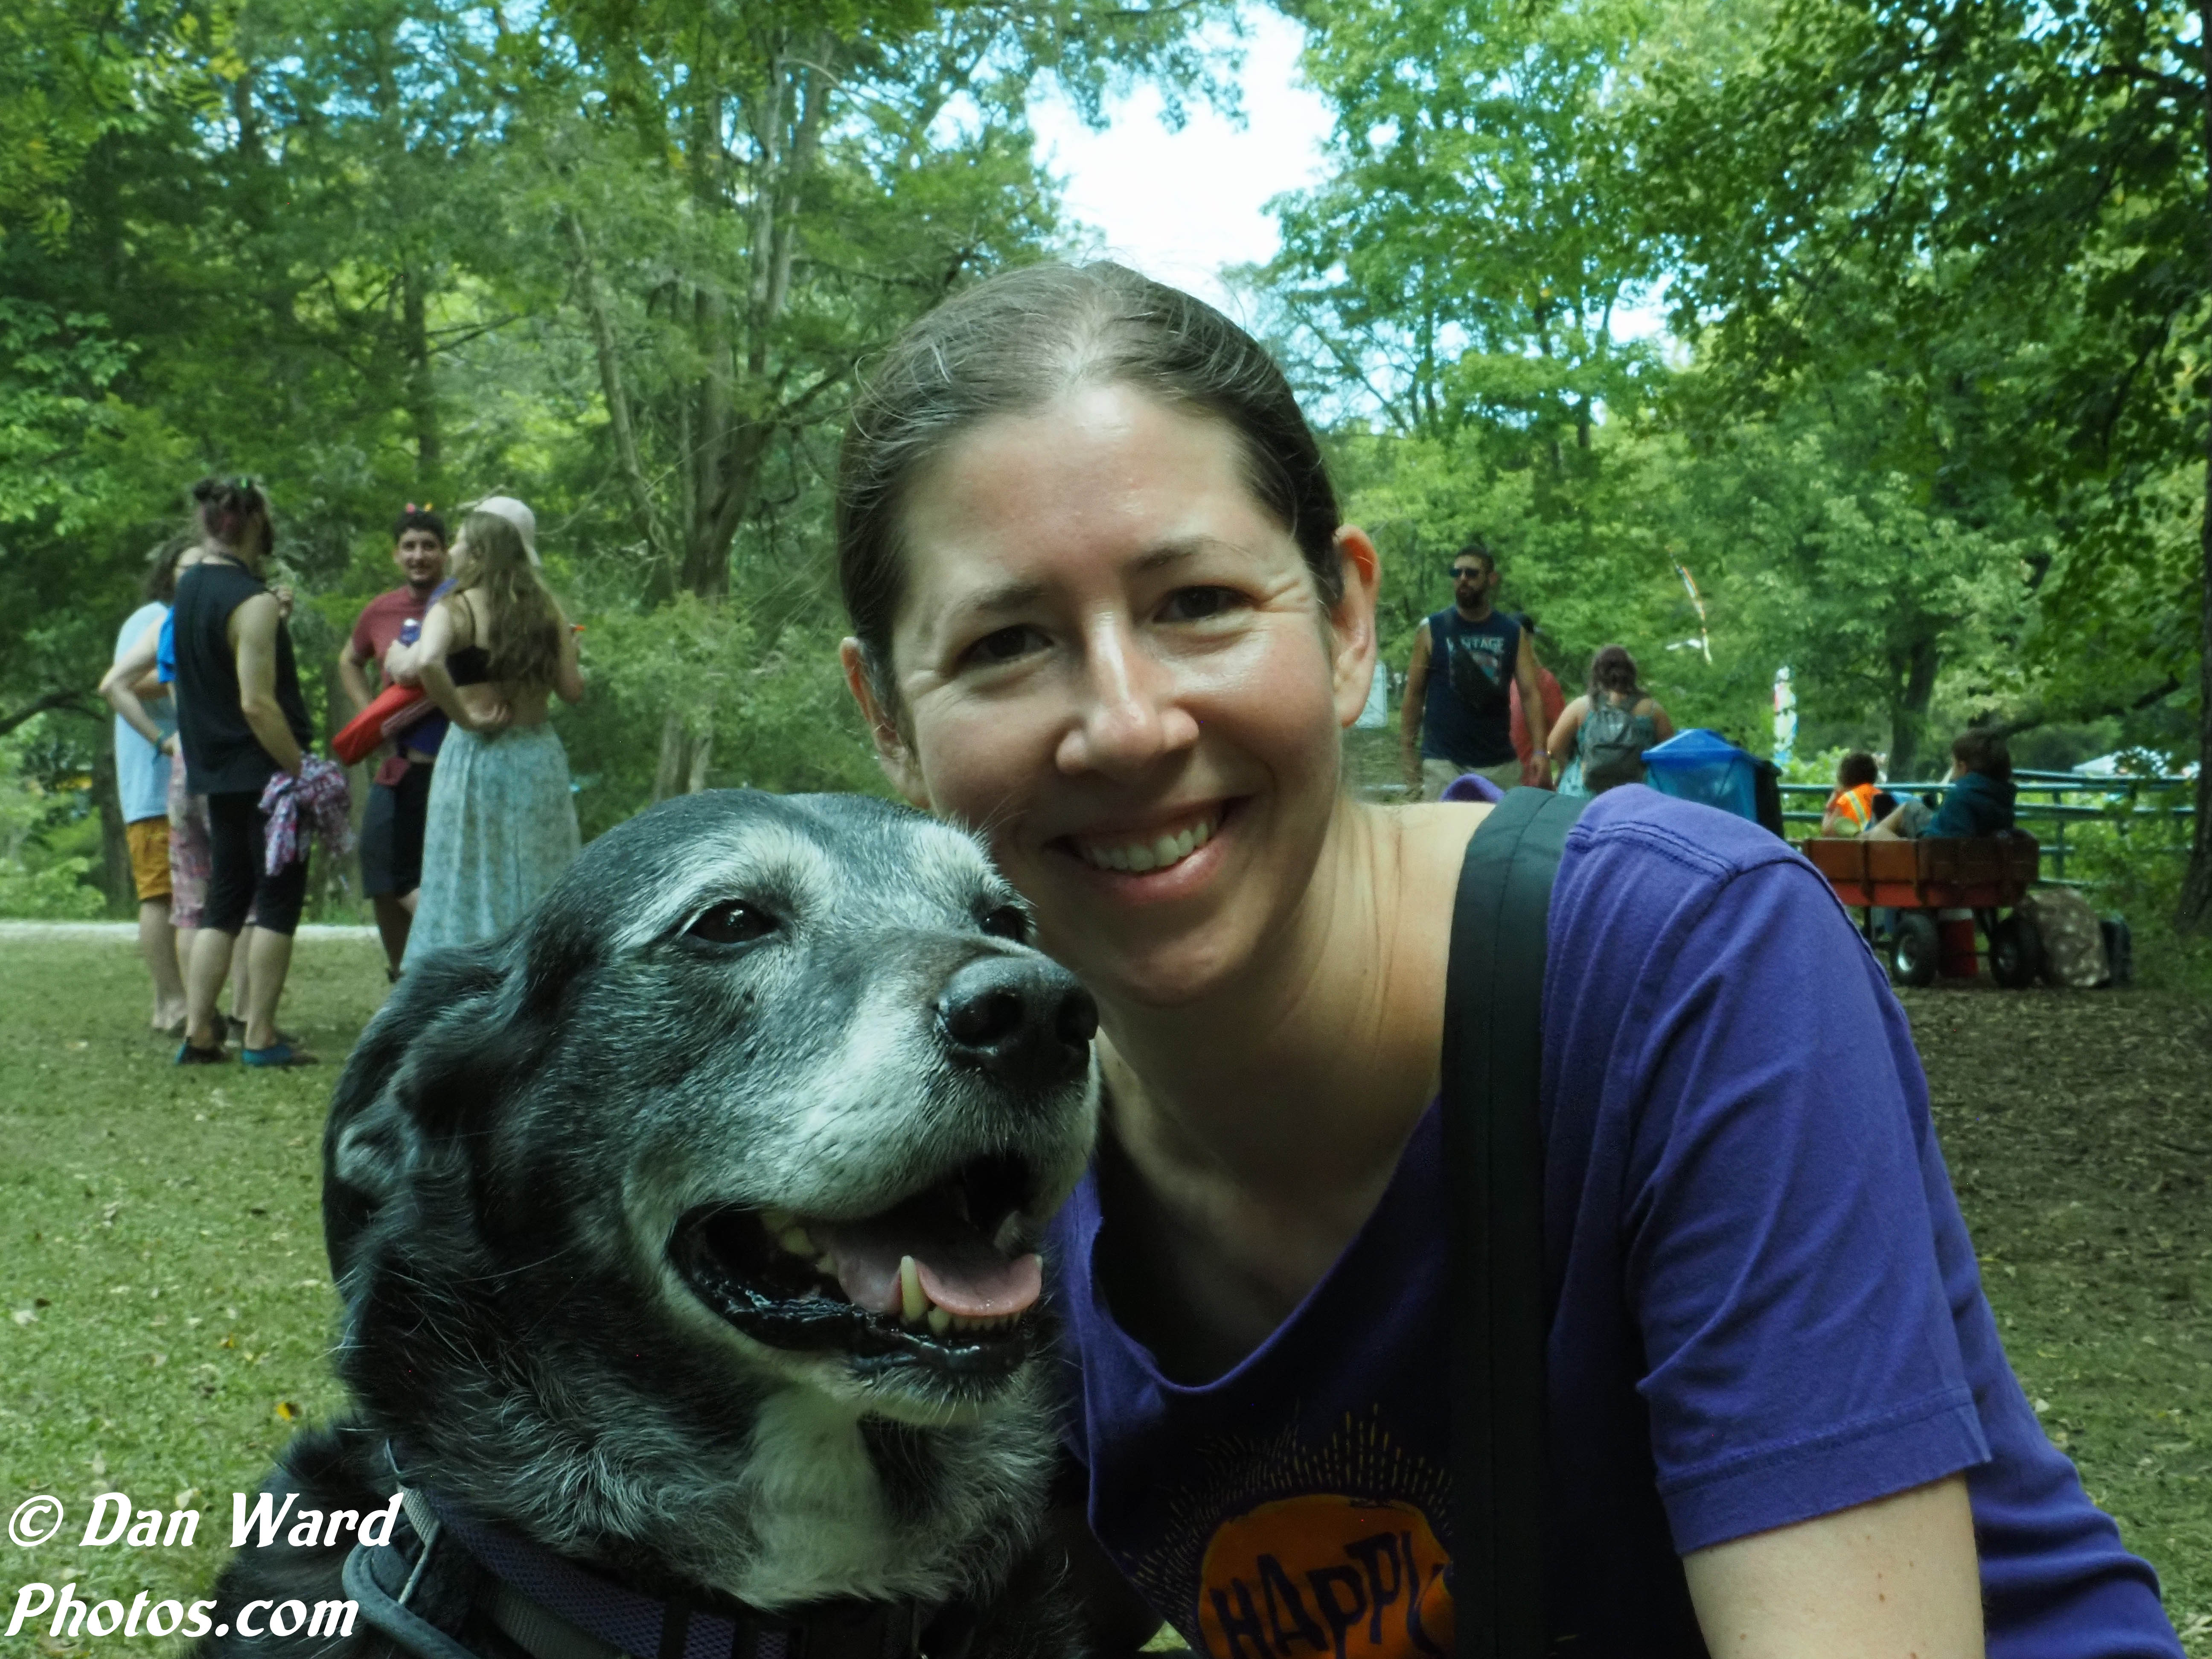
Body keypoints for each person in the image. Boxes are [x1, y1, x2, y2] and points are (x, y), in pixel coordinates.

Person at [831, 262, 2182, 1657]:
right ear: (886, 716)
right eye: (1004, 642)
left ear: (1348, 623)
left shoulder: (1681, 961)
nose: (1123, 724)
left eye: (1196, 602)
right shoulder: (992, 1173)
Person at [396, 501, 583, 970]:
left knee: (465, 873)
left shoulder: (455, 608)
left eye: (459, 540)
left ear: (478, 552)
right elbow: (572, 691)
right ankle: (542, 978)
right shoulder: (545, 610)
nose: (453, 549)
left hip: (475, 757)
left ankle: (464, 982)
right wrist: (572, 653)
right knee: (541, 871)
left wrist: (462, 716)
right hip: (536, 755)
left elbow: (426, 662)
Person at [170, 478, 318, 1067]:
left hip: (213, 771)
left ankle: (200, 1031)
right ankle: (259, 1034)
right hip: (266, 775)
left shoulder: (188, 591)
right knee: (278, 900)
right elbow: (258, 703)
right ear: (254, 521)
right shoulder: (251, 602)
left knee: (224, 901)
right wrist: (301, 769)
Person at [339, 505, 450, 975]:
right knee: (383, 873)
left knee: (437, 876)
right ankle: (401, 975)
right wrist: (371, 715)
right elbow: (349, 660)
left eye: (429, 546)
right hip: (398, 764)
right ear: (396, 555)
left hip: (452, 763)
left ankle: (446, 972)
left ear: (445, 553)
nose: (419, 555)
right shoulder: (380, 611)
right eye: (410, 547)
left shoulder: (460, 604)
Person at [98, 540, 191, 1033]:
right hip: (155, 782)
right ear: (168, 572)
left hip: (182, 783)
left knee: (182, 894)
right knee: (160, 894)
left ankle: (169, 1005)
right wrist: (199, 665)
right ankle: (173, 1002)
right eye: (186, 567)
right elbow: (126, 681)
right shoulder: (151, 617)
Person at [1400, 543, 1546, 797]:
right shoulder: (1432, 629)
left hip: (1498, 764)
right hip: (1443, 762)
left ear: (1491, 579)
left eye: (1472, 573)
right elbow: (1414, 694)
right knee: (1445, 835)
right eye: (1457, 574)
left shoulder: (1512, 633)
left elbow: (1531, 694)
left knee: (1495, 836)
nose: (1463, 580)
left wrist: (1540, 751)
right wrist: (1407, 752)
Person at [1546, 643, 1673, 797]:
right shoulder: (1653, 710)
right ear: (1631, 672)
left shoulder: (1581, 707)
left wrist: (1565, 766)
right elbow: (1668, 754)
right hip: (1637, 794)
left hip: (1584, 795)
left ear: (1596, 673)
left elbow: (1553, 747)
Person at [1871, 730, 2017, 841]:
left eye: (1953, 764)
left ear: (1963, 767)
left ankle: (1863, 840)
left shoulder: (1962, 797)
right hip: (1977, 864)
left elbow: (1935, 842)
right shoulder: (2004, 797)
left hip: (1942, 865)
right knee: (1909, 809)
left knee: (1900, 815)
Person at [1506, 615, 1566, 789]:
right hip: (1532, 785)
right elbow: (1561, 737)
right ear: (1529, 641)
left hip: (1494, 781)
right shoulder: (1544, 681)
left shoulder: (1493, 678)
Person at [1820, 750, 1894, 836]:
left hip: (1858, 847)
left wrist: (1830, 805)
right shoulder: (1882, 795)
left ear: (1844, 777)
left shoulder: (1848, 799)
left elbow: (1828, 833)